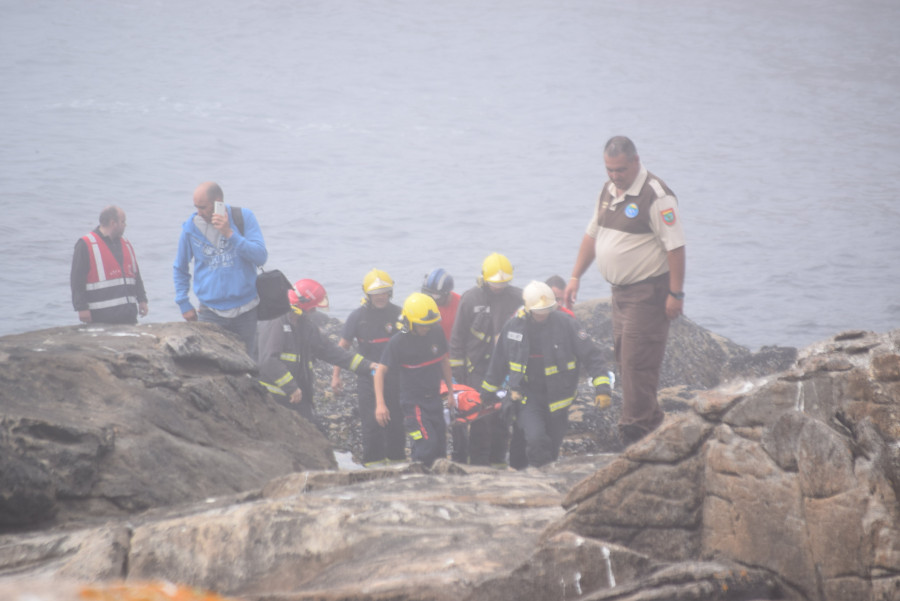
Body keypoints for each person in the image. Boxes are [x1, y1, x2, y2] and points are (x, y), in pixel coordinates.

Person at [564, 136, 686, 446]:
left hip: (648, 292)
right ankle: (651, 425)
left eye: (620, 170)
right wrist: (575, 276)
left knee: (637, 361)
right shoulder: (608, 191)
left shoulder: (656, 196)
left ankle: (635, 430)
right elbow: (593, 235)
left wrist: (676, 294)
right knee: (624, 358)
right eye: (609, 169)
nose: (615, 176)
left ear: (635, 161)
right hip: (619, 293)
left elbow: (676, 248)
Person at [481, 281, 611, 468]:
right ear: (528, 308)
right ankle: (539, 479)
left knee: (552, 446)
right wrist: (487, 393)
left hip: (558, 398)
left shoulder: (567, 325)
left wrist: (603, 389)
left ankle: (533, 473)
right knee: (536, 438)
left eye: (547, 310)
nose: (543, 315)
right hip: (526, 396)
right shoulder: (513, 327)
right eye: (538, 311)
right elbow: (498, 363)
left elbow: (592, 356)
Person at [258, 278, 375, 423]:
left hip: (298, 398)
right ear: (303, 305)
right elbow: (268, 361)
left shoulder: (305, 326)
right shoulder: (276, 322)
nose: (314, 311)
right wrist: (291, 388)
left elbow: (331, 351)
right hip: (273, 400)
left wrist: (368, 366)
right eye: (313, 307)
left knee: (313, 435)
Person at [174, 182, 268, 357]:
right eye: (196, 208)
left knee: (249, 366)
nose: (199, 213)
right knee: (210, 366)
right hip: (210, 311)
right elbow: (180, 268)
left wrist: (230, 234)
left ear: (218, 202)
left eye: (203, 208)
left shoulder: (243, 217)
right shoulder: (190, 228)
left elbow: (261, 256)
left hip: (246, 309)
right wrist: (183, 302)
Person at [449, 253, 523, 466]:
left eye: (503, 283)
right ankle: (478, 466)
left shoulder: (517, 297)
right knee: (480, 419)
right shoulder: (471, 299)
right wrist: (459, 377)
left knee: (502, 416)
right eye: (494, 284)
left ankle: (498, 463)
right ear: (484, 278)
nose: (499, 287)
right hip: (477, 369)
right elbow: (457, 339)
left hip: (505, 370)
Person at [331, 269, 406, 467]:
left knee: (397, 425)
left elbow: (411, 344)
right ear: (367, 294)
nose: (381, 296)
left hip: (395, 378)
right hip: (368, 378)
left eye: (384, 292)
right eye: (376, 293)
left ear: (390, 292)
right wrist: (336, 376)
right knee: (371, 426)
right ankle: (373, 470)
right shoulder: (357, 317)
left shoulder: (400, 315)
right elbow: (343, 347)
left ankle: (398, 468)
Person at [375, 293, 454, 468]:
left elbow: (444, 361)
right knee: (426, 445)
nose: (427, 328)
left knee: (441, 447)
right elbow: (380, 372)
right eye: (422, 325)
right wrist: (380, 404)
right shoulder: (398, 341)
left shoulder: (436, 332)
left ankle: (436, 486)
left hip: (435, 399)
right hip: (413, 403)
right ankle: (416, 478)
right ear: (410, 322)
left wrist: (450, 392)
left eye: (430, 324)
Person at [70, 205, 148, 325]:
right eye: (123, 222)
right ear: (113, 223)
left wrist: (142, 299)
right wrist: (81, 308)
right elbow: (77, 280)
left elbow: (136, 275)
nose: (125, 225)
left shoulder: (126, 244)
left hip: (128, 316)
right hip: (100, 317)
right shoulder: (86, 244)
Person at [421, 268, 461, 341]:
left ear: (447, 294)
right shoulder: (424, 305)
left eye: (436, 296)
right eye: (428, 295)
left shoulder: (461, 306)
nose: (432, 300)